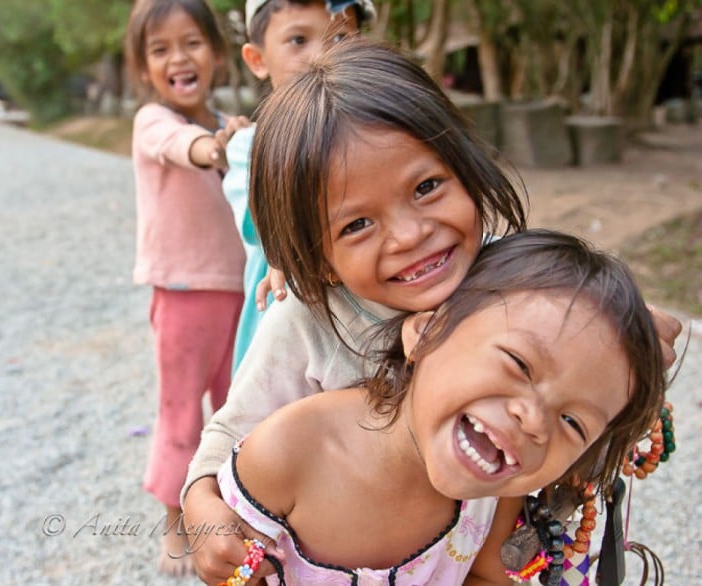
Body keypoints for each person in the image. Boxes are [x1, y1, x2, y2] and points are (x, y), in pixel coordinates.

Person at [181, 41, 681, 583]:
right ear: (320, 260)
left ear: (466, 169)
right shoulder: (305, 322)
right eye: (356, 225)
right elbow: (231, 431)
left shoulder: (499, 276)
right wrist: (201, 510)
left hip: (468, 533)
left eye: (426, 187)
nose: (411, 234)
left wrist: (625, 324)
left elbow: (576, 315)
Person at [216, 229, 668, 585]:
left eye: (572, 421)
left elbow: (488, 576)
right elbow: (227, 566)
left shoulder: (496, 494)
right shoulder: (292, 447)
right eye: (519, 364)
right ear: (427, 333)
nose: (533, 420)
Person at [124, 0, 246, 575]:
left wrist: (236, 142)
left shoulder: (228, 125)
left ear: (218, 54)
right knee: (181, 415)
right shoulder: (154, 121)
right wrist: (214, 148)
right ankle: (174, 519)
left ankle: (230, 510)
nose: (179, 58)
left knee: (237, 408)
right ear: (143, 67)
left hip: (241, 291)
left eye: (192, 42)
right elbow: (181, 147)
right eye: (160, 49)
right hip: (182, 293)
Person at [222, 0, 376, 375]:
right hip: (291, 349)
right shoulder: (250, 148)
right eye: (297, 40)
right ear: (257, 59)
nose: (324, 54)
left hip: (373, 322)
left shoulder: (378, 134)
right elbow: (276, 224)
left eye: (340, 36)